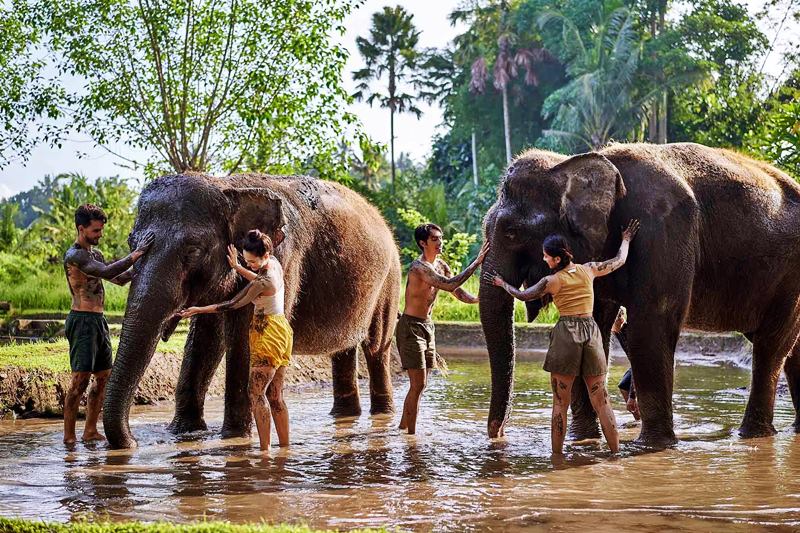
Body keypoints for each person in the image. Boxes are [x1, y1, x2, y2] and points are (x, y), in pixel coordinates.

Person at [489, 220, 639, 457]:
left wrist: (502, 283)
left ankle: (557, 458)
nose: (544, 260)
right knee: (601, 400)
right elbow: (619, 260)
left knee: (560, 403)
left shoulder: (552, 281)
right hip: (591, 333)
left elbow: (523, 295)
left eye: (546, 256)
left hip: (567, 334)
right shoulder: (589, 269)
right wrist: (626, 239)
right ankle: (615, 454)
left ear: (557, 259)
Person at [177, 230, 292, 451]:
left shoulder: (264, 282)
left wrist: (198, 309)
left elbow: (233, 304)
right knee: (275, 395)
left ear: (266, 254)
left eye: (252, 261)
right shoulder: (274, 265)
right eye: (247, 260)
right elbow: (258, 277)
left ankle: (265, 451)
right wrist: (238, 267)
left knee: (256, 393)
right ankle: (285, 449)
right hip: (282, 330)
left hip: (267, 333)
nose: (250, 265)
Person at [62, 204, 153, 445]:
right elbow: (106, 270)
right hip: (82, 321)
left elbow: (119, 278)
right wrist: (136, 254)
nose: (99, 235)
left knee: (103, 378)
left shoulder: (96, 255)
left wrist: (143, 266)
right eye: (95, 230)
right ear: (81, 229)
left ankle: (90, 430)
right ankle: (69, 437)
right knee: (80, 381)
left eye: (101, 230)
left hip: (98, 321)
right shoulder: (75, 256)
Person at [397, 223, 490, 435]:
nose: (440, 242)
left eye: (441, 238)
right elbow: (448, 284)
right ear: (423, 243)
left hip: (428, 327)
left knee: (421, 385)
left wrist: (476, 300)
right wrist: (476, 262)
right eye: (435, 239)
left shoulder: (441, 265)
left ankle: (402, 428)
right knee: (418, 384)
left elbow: (456, 290)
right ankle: (411, 438)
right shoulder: (419, 268)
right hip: (411, 327)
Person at [613, 307, 640, 420]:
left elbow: (637, 364)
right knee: (623, 385)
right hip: (636, 364)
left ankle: (642, 419)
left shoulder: (628, 332)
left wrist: (632, 396)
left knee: (635, 395)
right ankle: (638, 420)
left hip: (645, 365)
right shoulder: (618, 331)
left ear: (621, 319)